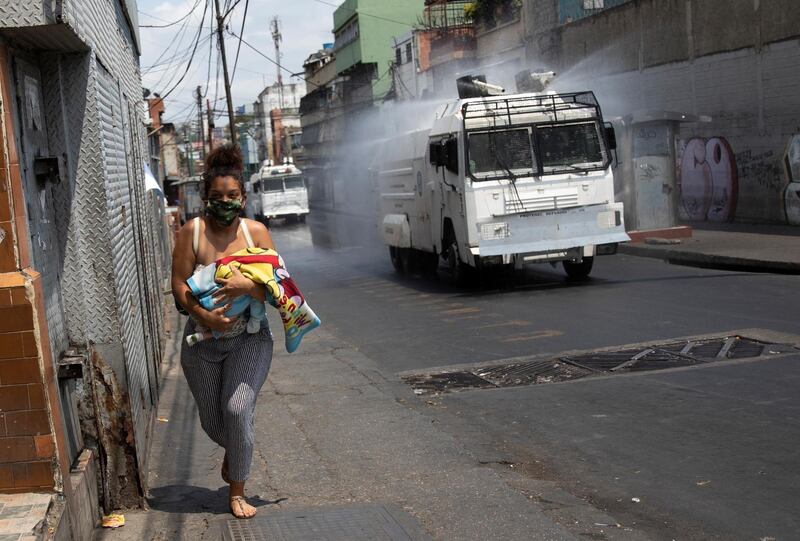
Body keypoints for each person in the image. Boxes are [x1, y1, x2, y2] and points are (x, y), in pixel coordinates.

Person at [171, 144, 275, 519]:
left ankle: (237, 492)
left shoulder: (257, 233)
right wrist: (205, 315)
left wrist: (248, 288)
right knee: (216, 424)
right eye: (217, 197)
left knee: (237, 408)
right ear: (205, 199)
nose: (225, 202)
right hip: (201, 343)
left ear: (243, 197)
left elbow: (280, 287)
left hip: (250, 337)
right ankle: (239, 444)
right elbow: (178, 284)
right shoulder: (191, 233)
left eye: (232, 196)